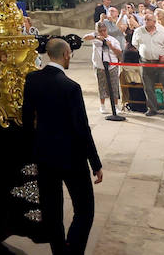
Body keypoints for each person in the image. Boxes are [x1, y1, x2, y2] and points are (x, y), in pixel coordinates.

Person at [22, 37, 103, 255]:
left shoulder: (32, 80)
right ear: (66, 54)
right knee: (85, 210)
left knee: (52, 211)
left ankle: (59, 252)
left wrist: (33, 152)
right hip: (72, 158)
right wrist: (95, 162)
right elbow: (82, 128)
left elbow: (27, 119)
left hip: (44, 155)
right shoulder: (70, 87)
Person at [131, 12, 164, 116]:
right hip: (146, 63)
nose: (146, 21)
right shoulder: (138, 31)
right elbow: (135, 44)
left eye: (148, 20)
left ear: (154, 22)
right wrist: (145, 53)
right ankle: (152, 108)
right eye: (145, 20)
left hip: (162, 63)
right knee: (148, 87)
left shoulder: (162, 32)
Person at [86, 20, 121, 114]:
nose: (103, 32)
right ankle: (102, 106)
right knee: (101, 86)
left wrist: (111, 46)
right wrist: (96, 37)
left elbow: (119, 53)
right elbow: (85, 37)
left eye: (104, 30)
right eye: (100, 31)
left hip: (112, 66)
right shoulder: (95, 38)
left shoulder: (113, 40)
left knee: (114, 86)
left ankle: (116, 106)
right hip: (100, 66)